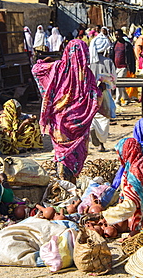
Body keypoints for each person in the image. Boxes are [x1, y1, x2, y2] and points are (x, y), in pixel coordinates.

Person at [32, 39, 103, 181]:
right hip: (79, 123)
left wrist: (43, 61)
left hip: (60, 121)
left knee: (61, 153)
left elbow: (36, 70)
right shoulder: (87, 74)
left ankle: (63, 180)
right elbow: (96, 99)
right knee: (77, 153)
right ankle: (71, 179)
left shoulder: (57, 67)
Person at [89, 31, 116, 152]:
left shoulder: (88, 62)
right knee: (104, 117)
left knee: (92, 115)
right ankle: (101, 144)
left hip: (90, 94)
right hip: (104, 93)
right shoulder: (108, 62)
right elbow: (113, 80)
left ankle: (92, 129)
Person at [109, 28, 136, 106]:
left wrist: (132, 68)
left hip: (123, 67)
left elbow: (131, 57)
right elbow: (111, 56)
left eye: (118, 35)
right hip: (115, 67)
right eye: (116, 35)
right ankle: (126, 98)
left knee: (118, 83)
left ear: (122, 35)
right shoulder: (113, 45)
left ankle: (117, 100)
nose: (117, 36)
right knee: (121, 85)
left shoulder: (127, 45)